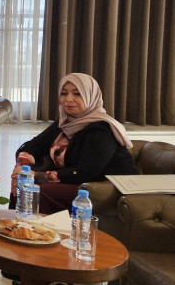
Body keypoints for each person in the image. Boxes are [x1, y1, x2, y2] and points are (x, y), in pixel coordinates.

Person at [13, 72, 133, 214]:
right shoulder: (66, 122)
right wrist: (22, 170)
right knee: (22, 185)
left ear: (90, 96)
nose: (68, 99)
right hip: (75, 183)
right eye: (64, 93)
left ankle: (34, 233)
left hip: (101, 189)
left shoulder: (101, 128)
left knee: (36, 191)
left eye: (77, 94)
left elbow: (86, 172)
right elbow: (33, 145)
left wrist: (37, 176)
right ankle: (12, 230)